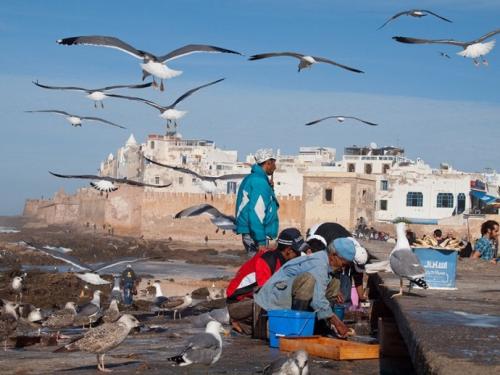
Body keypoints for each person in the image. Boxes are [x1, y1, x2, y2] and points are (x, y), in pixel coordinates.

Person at [255, 237, 357, 338]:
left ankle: (318, 324)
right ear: (333, 256)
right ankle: (297, 326)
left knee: (335, 281)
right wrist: (338, 323)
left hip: (290, 295)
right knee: (308, 280)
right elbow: (318, 301)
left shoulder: (328, 265)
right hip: (276, 300)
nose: (343, 267)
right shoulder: (319, 264)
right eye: (343, 264)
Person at [226, 228, 305, 335]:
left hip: (251, 300)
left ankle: (244, 325)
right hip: (237, 304)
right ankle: (238, 321)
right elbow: (265, 294)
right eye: (298, 252)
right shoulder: (266, 261)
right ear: (288, 250)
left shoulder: (284, 261)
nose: (300, 255)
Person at [306, 222, 369, 306]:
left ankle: (343, 304)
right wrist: (336, 290)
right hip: (325, 240)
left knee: (344, 280)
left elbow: (358, 276)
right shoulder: (334, 249)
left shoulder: (357, 251)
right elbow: (325, 270)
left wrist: (361, 297)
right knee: (333, 281)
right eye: (344, 263)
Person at [235, 148, 279, 255]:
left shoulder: (253, 178)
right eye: (274, 163)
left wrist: (270, 189)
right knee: (259, 269)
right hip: (255, 234)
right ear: (268, 163)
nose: (275, 167)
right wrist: (261, 241)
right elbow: (256, 212)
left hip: (251, 232)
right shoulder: (259, 181)